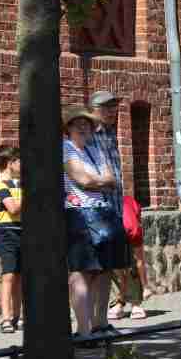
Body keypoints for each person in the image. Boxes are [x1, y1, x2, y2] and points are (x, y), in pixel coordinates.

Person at [63, 107, 118, 340]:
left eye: (86, 123)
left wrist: (98, 181)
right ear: (68, 128)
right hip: (78, 214)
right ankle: (83, 329)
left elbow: (112, 180)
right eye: (78, 123)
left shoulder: (95, 150)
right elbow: (82, 179)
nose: (83, 127)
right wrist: (99, 181)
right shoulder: (64, 149)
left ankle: (101, 323)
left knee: (104, 270)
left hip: (103, 212)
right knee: (81, 272)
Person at [87, 90, 134, 324]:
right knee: (95, 267)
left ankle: (103, 318)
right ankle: (92, 320)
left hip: (114, 207)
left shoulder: (110, 132)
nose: (111, 111)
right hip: (96, 208)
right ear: (94, 109)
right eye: (106, 107)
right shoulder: (88, 135)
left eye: (113, 107)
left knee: (111, 264)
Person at [0, 144, 23, 334]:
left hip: (24, 230)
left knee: (21, 276)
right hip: (7, 232)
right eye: (19, 161)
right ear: (10, 163)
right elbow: (13, 209)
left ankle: (18, 316)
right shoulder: (0, 185)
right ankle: (6, 317)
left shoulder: (20, 183)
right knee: (9, 275)